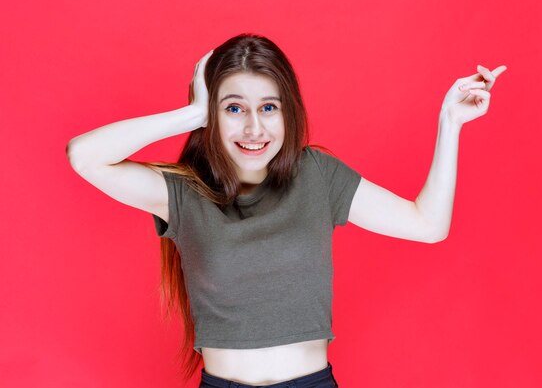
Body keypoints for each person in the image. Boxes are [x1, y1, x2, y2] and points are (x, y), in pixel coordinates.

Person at [66, 33, 506, 387]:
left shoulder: (317, 175)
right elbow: (84, 156)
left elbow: (427, 225)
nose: (253, 128)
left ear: (288, 113)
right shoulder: (183, 193)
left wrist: (450, 123)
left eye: (269, 108)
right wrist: (192, 114)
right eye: (233, 108)